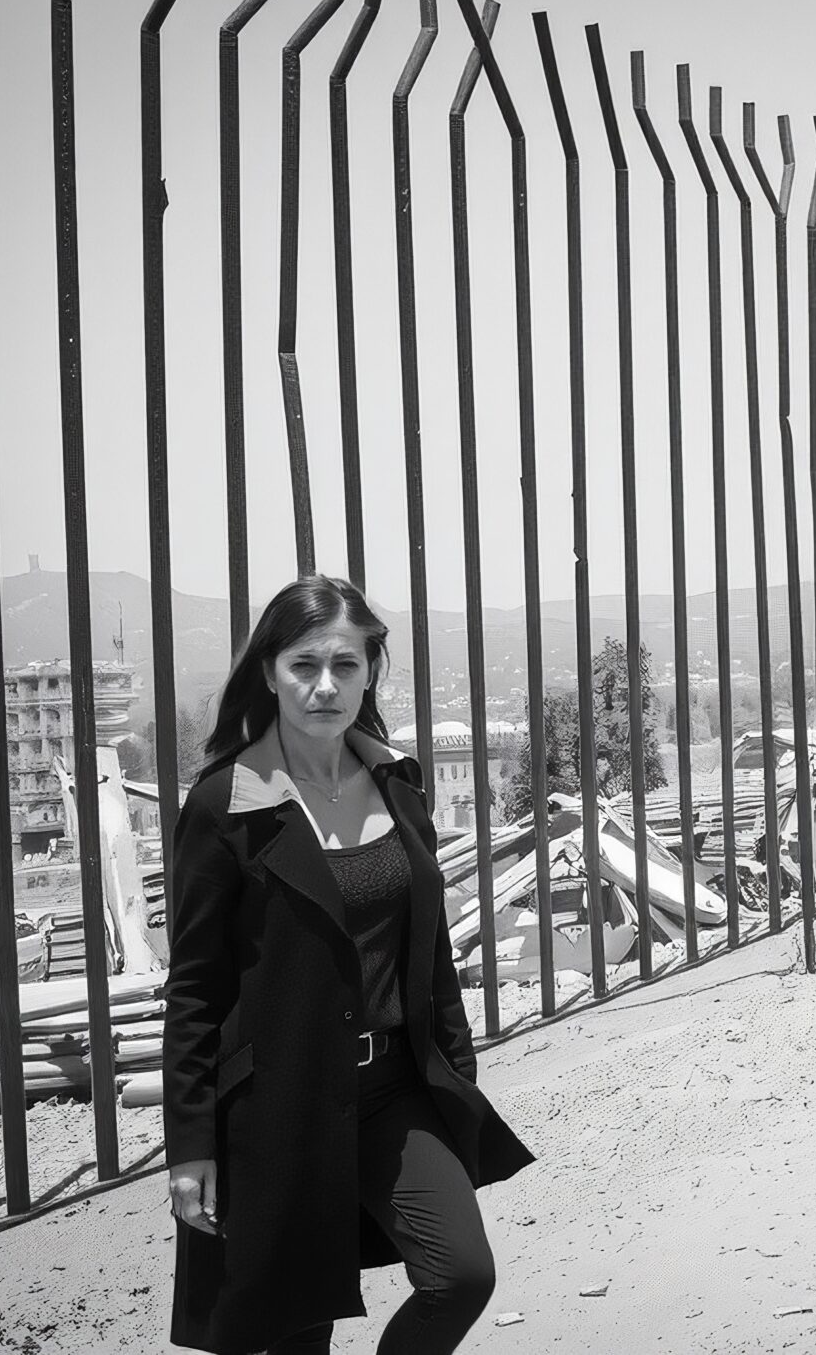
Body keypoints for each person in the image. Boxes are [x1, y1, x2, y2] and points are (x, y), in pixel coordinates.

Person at [164, 575, 533, 1354]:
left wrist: (457, 1078)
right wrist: (192, 1144)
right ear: (268, 670)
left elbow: (427, 949)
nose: (325, 685)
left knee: (461, 1275)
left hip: (393, 1088)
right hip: (279, 1105)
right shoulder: (224, 804)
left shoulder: (397, 780)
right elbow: (195, 987)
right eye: (304, 664)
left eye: (346, 663)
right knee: (299, 1331)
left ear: (371, 669)